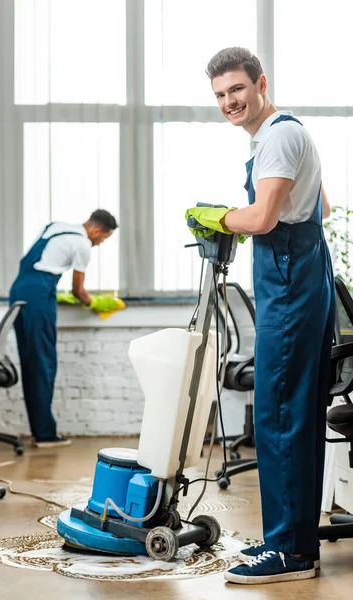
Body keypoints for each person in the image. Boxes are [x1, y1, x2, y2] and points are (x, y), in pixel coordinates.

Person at [187, 47, 335, 584]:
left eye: (236, 90)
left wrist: (217, 216)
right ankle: (289, 537)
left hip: (291, 283)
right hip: (299, 275)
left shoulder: (277, 136)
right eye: (220, 95)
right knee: (290, 409)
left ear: (260, 83)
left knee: (279, 413)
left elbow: (265, 217)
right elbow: (318, 207)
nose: (229, 101)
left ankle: (290, 553)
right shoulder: (279, 137)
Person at [9, 209, 118, 448]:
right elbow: (79, 291)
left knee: (30, 360)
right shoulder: (83, 245)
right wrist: (99, 303)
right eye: (103, 239)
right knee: (44, 362)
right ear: (97, 230)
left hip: (18, 289)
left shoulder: (55, 226)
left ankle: (41, 430)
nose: (99, 243)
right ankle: (46, 435)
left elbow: (40, 262)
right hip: (39, 293)